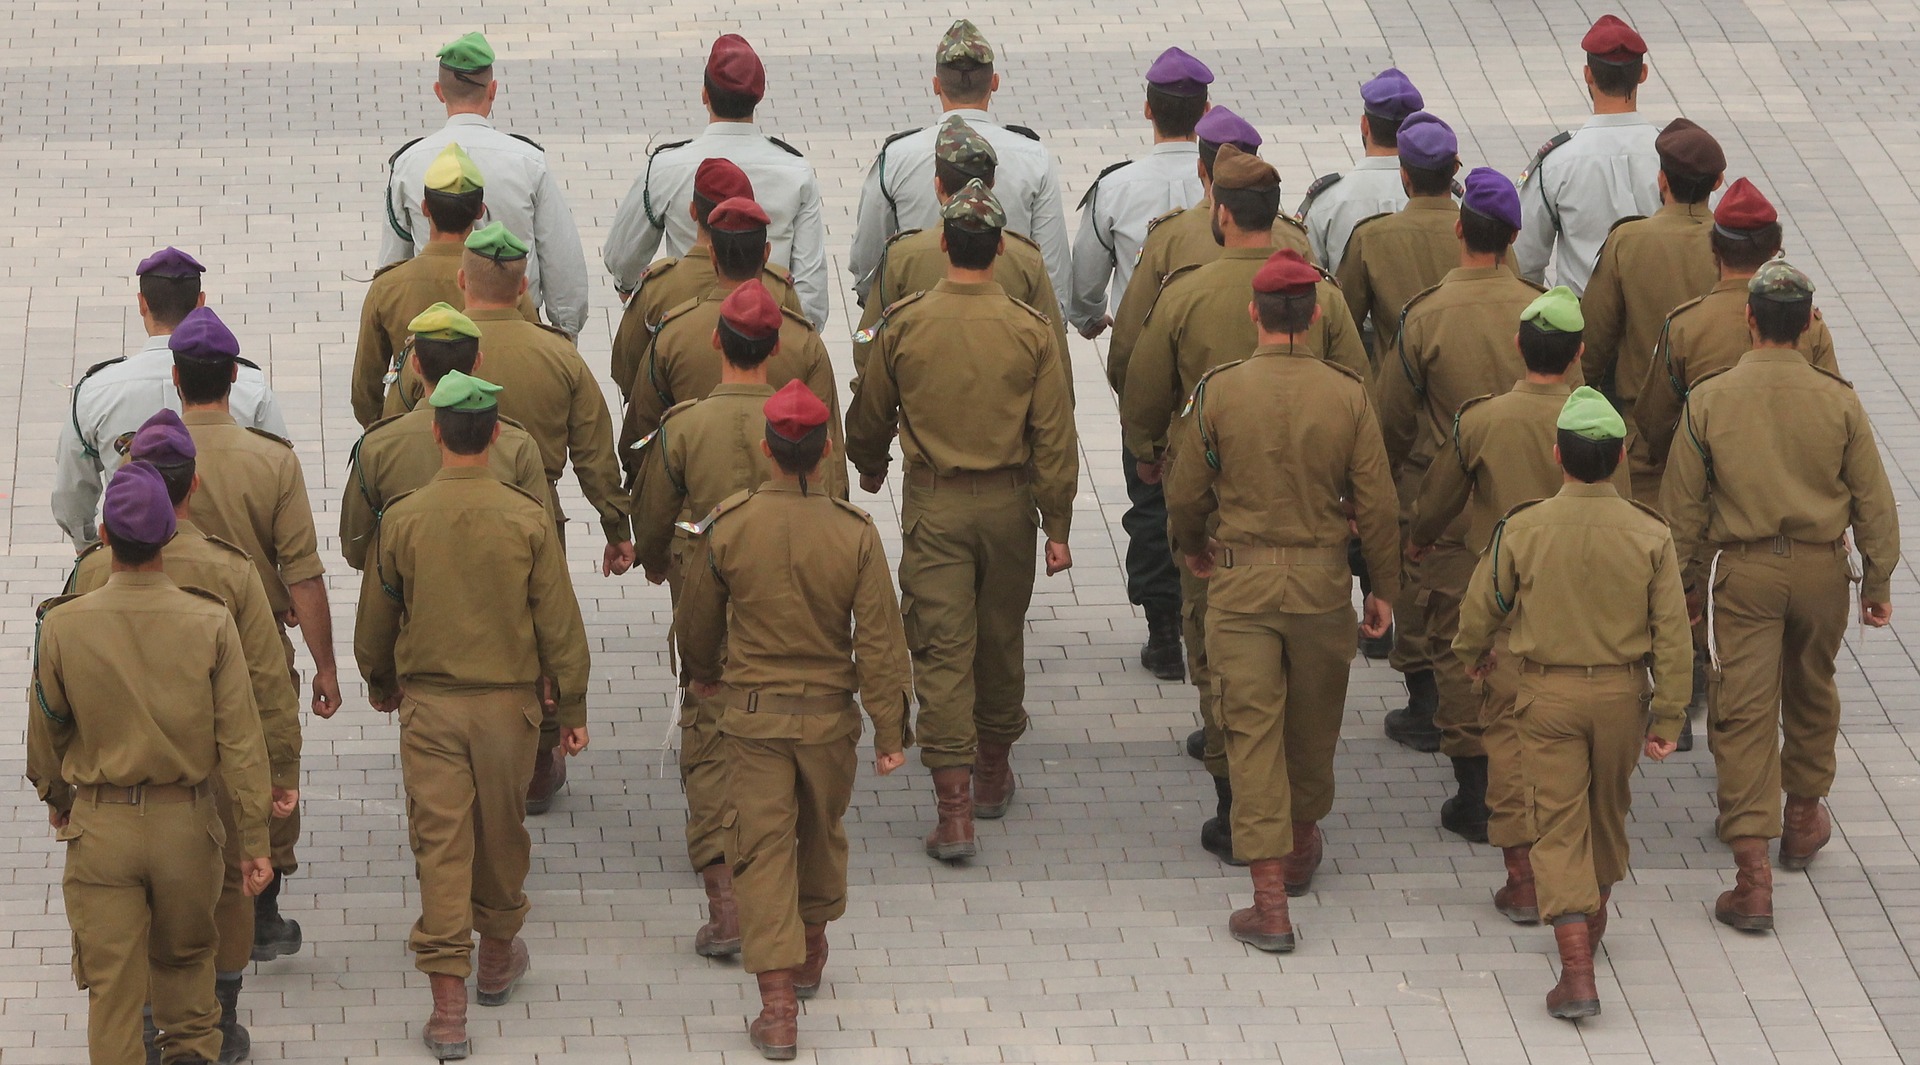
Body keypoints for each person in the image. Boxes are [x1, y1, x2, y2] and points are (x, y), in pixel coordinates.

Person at [1121, 153, 1368, 858]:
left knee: (1225, 664)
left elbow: (1140, 388)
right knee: (1308, 683)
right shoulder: (1322, 295)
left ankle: (1238, 810)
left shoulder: (1185, 293)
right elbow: (1361, 391)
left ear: (1221, 214)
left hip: (1220, 520)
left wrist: (1150, 454)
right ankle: (1296, 824)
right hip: (1313, 515)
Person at [353, 370, 592, 1061]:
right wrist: (570, 706)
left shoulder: (402, 518)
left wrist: (379, 678)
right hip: (508, 708)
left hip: (430, 707)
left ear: (435, 431)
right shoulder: (527, 517)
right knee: (502, 828)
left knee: (440, 843)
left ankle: (449, 1009)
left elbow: (378, 616)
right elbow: (559, 621)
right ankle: (495, 953)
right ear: (494, 435)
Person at [1164, 248, 1398, 945]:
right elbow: (1378, 504)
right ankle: (1299, 845)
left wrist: (1192, 545)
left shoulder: (1220, 390)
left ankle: (1269, 903)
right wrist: (1381, 585)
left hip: (1240, 586)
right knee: (1312, 724)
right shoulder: (1348, 393)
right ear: (1318, 315)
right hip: (1323, 583)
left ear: (1253, 313)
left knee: (1251, 733)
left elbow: (1183, 493)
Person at [677, 381, 913, 1060]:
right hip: (829, 721)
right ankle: (808, 953)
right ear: (826, 449)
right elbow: (879, 638)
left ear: (765, 450)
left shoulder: (729, 523)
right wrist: (891, 732)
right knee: (820, 833)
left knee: (761, 850)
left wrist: (704, 671)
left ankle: (777, 1009)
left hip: (752, 722)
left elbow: (698, 621)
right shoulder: (854, 531)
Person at [1661, 260, 1899, 933]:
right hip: (1825, 569)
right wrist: (1876, 583)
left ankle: (1752, 878)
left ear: (1750, 317)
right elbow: (1874, 501)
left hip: (1746, 572)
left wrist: (1681, 587)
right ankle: (1801, 818)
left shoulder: (1710, 398)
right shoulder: (1839, 398)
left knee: (1741, 708)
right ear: (1809, 322)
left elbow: (1682, 505)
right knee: (1813, 687)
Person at [845, 180, 1078, 862]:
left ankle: (952, 813)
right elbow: (1055, 436)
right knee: (1000, 637)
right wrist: (1057, 523)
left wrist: (869, 464)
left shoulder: (907, 322)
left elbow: (870, 411)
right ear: (1001, 248)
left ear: (943, 244)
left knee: (942, 650)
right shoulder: (1030, 331)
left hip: (936, 506)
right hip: (1011, 509)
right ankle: (993, 771)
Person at [65, 412, 302, 1065]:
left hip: (114, 780)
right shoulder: (231, 570)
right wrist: (279, 776)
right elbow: (266, 684)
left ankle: (143, 1019)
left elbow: (56, 692)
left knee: (127, 913)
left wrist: (61, 789)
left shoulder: (90, 573)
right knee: (220, 892)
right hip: (212, 771)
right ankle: (217, 1019)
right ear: (192, 485)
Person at [1455, 387, 1691, 1020]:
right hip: (1621, 696)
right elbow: (1673, 633)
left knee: (1557, 823)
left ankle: (1577, 972)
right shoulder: (1650, 533)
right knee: (1607, 813)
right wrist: (1669, 715)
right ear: (1618, 460)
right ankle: (1595, 921)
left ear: (1557, 455)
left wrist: (1473, 652)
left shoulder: (1523, 527)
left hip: (1546, 696)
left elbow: (1483, 608)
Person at [389, 223, 629, 811]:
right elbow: (596, 452)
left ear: (461, 279)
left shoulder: (426, 358)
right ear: (524, 284)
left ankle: (449, 748)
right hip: (534, 515)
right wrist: (617, 527)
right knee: (539, 627)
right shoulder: (560, 356)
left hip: (436, 515)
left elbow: (392, 430)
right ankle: (537, 760)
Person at [1411, 288, 1625, 923]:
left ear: (1517, 347)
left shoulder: (1482, 420)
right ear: (1580, 352)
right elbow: (1630, 512)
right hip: (1586, 609)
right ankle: (1581, 870)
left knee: (1505, 736)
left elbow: (1437, 500)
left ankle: (1522, 877)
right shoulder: (1599, 423)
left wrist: (1419, 541)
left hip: (1505, 606)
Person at [627, 281, 798, 961]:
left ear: (716, 343)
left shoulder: (686, 425)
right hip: (785, 592)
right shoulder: (794, 420)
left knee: (708, 735)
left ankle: (725, 905)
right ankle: (780, 902)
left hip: (703, 590)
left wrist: (650, 555)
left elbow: (652, 515)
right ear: (777, 347)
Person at [169, 306, 334, 961]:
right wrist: (325, 666)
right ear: (234, 376)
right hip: (255, 639)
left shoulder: (150, 454)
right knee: (264, 758)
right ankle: (261, 907)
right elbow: (304, 575)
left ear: (176, 379)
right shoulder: (274, 462)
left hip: (168, 640)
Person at [1374, 168, 1546, 777]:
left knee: (1455, 633)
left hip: (1443, 498)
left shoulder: (1426, 316)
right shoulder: (1541, 311)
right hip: (1531, 498)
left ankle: (1473, 786)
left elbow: (1391, 419)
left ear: (1459, 229)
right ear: (1514, 236)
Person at [1104, 106, 1267, 688]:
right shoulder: (1294, 238)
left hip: (1186, 423)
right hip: (1275, 425)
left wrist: (1141, 435)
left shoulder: (1171, 237)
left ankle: (1166, 635)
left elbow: (1131, 346)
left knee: (1160, 519)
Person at [54, 248, 287, 549]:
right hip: (232, 560)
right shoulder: (250, 386)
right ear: (201, 302)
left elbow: (71, 493)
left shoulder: (96, 392)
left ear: (142, 303)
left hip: (133, 559)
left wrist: (89, 548)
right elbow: (279, 481)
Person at [619, 202, 847, 495]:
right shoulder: (804, 340)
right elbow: (828, 442)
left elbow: (641, 432)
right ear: (766, 253)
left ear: (712, 254)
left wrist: (636, 507)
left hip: (692, 528)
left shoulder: (672, 333)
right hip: (779, 518)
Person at [603, 34, 830, 328]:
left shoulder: (665, 168)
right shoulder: (796, 172)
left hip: (684, 328)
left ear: (704, 95)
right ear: (758, 96)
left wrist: (627, 286)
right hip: (768, 331)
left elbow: (622, 257)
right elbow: (810, 285)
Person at [849, 19, 1069, 309]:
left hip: (918, 325)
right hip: (1010, 326)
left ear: (936, 85)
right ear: (995, 82)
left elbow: (868, 256)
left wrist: (877, 307)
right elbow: (1053, 264)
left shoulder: (897, 158)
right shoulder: (1034, 157)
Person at [381, 32, 589, 337]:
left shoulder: (408, 164)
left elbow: (393, 264)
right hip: (517, 327)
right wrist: (564, 334)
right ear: (493, 90)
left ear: (439, 92)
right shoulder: (528, 162)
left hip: (436, 336)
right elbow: (560, 257)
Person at [851, 115, 1071, 397]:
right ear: (991, 185)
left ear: (938, 185)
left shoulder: (901, 256)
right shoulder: (1027, 259)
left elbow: (867, 338)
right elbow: (1054, 350)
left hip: (924, 417)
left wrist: (870, 411)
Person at [1636, 178, 1841, 466]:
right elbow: (1833, 412)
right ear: (1775, 248)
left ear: (1715, 249)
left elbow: (1655, 424)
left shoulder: (1685, 326)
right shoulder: (1808, 324)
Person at [1577, 117, 1724, 499]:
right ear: (1717, 183)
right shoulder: (1738, 250)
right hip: (1724, 449)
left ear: (1662, 180)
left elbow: (1591, 348)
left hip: (1643, 452)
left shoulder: (1628, 242)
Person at [342, 304, 551, 571]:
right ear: (477, 361)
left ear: (415, 364)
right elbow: (542, 539)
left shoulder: (376, 446)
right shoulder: (518, 444)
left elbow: (356, 547)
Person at [351, 142, 538, 426]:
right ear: (480, 211)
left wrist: (389, 434)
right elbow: (529, 363)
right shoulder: (504, 285)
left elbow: (365, 390)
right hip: (486, 434)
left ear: (425, 208)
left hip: (408, 431)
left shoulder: (387, 288)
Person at [609, 159, 803, 403]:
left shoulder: (657, 288)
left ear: (693, 211)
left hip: (682, 436)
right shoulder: (779, 290)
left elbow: (627, 374)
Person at [1066, 46, 1211, 339]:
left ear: (1147, 110)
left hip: (1137, 344)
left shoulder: (1113, 188)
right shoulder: (1225, 183)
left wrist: (1088, 317)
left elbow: (1086, 276)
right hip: (1210, 339)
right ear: (1206, 112)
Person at [1514, 15, 1661, 295]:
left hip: (1579, 323)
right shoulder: (1673, 155)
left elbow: (1525, 260)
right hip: (1656, 322)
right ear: (1643, 73)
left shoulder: (1557, 163)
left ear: (1588, 74)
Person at [1336, 111, 1464, 352]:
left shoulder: (1370, 237)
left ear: (1404, 174)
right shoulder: (1481, 234)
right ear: (1455, 169)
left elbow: (1344, 324)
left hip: (1392, 381)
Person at [1298, 67, 1426, 273]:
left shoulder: (1327, 202)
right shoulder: (1446, 199)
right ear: (1416, 130)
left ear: (1365, 126)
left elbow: (1312, 281)